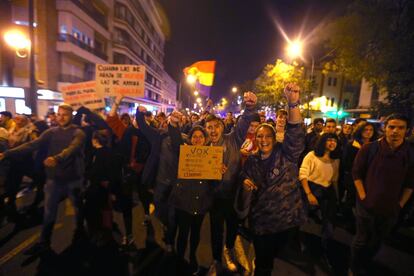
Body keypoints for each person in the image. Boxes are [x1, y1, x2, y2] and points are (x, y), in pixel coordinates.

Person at [235, 83, 306, 276]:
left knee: (274, 257)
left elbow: (296, 133)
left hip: (286, 222)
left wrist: (293, 103)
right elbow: (244, 176)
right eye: (260, 136)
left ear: (275, 139)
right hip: (261, 223)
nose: (264, 139)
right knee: (263, 266)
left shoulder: (287, 155)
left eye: (268, 136)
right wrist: (244, 183)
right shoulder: (252, 160)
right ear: (255, 139)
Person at [0, 103, 86, 254]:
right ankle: (43, 243)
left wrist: (57, 158)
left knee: (78, 208)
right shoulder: (51, 132)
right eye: (58, 114)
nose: (61, 117)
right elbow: (32, 144)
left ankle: (80, 232)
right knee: (48, 213)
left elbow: (73, 149)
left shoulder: (78, 133)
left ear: (71, 116)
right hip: (54, 179)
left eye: (64, 115)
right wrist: (7, 154)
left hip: (73, 179)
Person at [350, 113, 414, 275]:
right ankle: (354, 267)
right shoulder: (369, 149)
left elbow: (410, 184)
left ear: (407, 131)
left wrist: (399, 205)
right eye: (392, 127)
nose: (395, 131)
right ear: (385, 128)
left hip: (390, 210)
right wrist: (363, 197)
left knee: (377, 241)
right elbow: (356, 174)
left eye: (400, 128)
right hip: (366, 207)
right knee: (361, 240)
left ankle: (366, 262)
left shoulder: (410, 154)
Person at [205, 91, 257, 274]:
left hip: (233, 195)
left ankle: (229, 250)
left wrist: (249, 107)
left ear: (221, 127)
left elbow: (243, 124)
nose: (212, 130)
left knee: (232, 227)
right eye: (209, 127)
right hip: (214, 198)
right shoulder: (203, 149)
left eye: (215, 126)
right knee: (215, 230)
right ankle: (216, 260)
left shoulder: (234, 139)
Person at [299, 133, 340, 269]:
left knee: (328, 223)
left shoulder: (336, 160)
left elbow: (334, 180)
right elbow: (303, 174)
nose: (332, 143)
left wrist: (337, 197)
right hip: (311, 188)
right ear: (323, 142)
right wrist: (309, 193)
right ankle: (302, 242)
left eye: (334, 140)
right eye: (329, 140)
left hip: (327, 192)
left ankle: (324, 249)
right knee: (304, 218)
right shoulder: (312, 155)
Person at [339, 122, 378, 232]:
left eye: (371, 130)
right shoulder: (352, 144)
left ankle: (360, 222)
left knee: (363, 199)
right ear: (360, 131)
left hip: (368, 178)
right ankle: (348, 221)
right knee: (351, 199)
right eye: (366, 130)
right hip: (352, 177)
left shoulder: (375, 145)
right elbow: (346, 162)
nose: (368, 132)